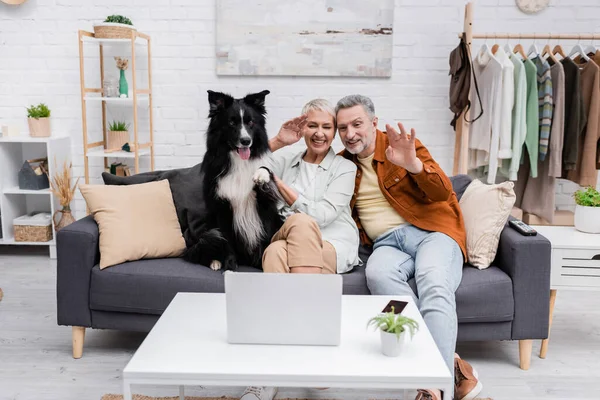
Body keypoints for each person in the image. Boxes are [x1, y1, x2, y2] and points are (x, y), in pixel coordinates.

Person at [334, 94, 481, 400]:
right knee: (377, 274)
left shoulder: (400, 146)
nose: (350, 134)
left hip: (433, 232)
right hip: (387, 244)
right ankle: (451, 361)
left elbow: (442, 192)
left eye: (357, 124)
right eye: (343, 127)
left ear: (374, 123)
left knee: (434, 281)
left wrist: (413, 164)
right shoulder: (341, 165)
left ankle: (433, 388)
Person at [239, 99, 361, 400]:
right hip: (290, 232)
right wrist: (279, 141)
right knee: (297, 226)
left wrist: (283, 188)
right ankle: (312, 350)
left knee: (276, 252)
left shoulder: (345, 168)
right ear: (302, 127)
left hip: (332, 242)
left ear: (334, 132)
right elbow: (240, 165)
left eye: (327, 126)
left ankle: (268, 372)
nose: (319, 133)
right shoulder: (285, 158)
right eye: (312, 125)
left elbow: (322, 217)